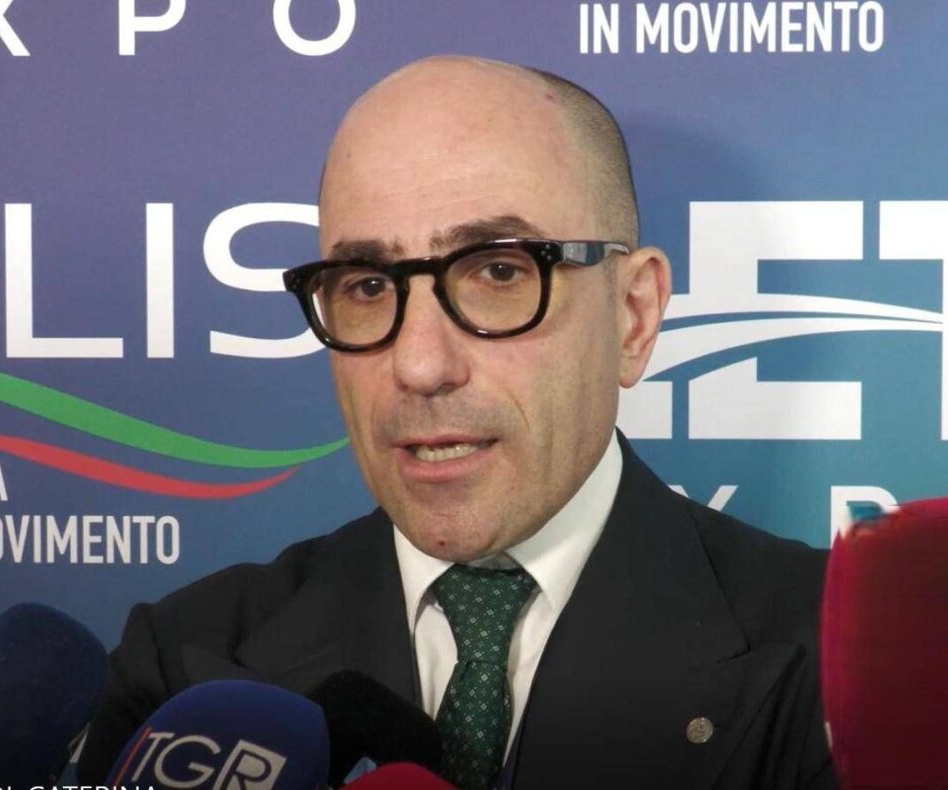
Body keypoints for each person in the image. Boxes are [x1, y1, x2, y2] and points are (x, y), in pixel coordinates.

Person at [78, 56, 835, 788]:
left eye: (499, 272)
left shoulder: (841, 662)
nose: (419, 366)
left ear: (633, 317)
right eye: (367, 285)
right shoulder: (185, 668)